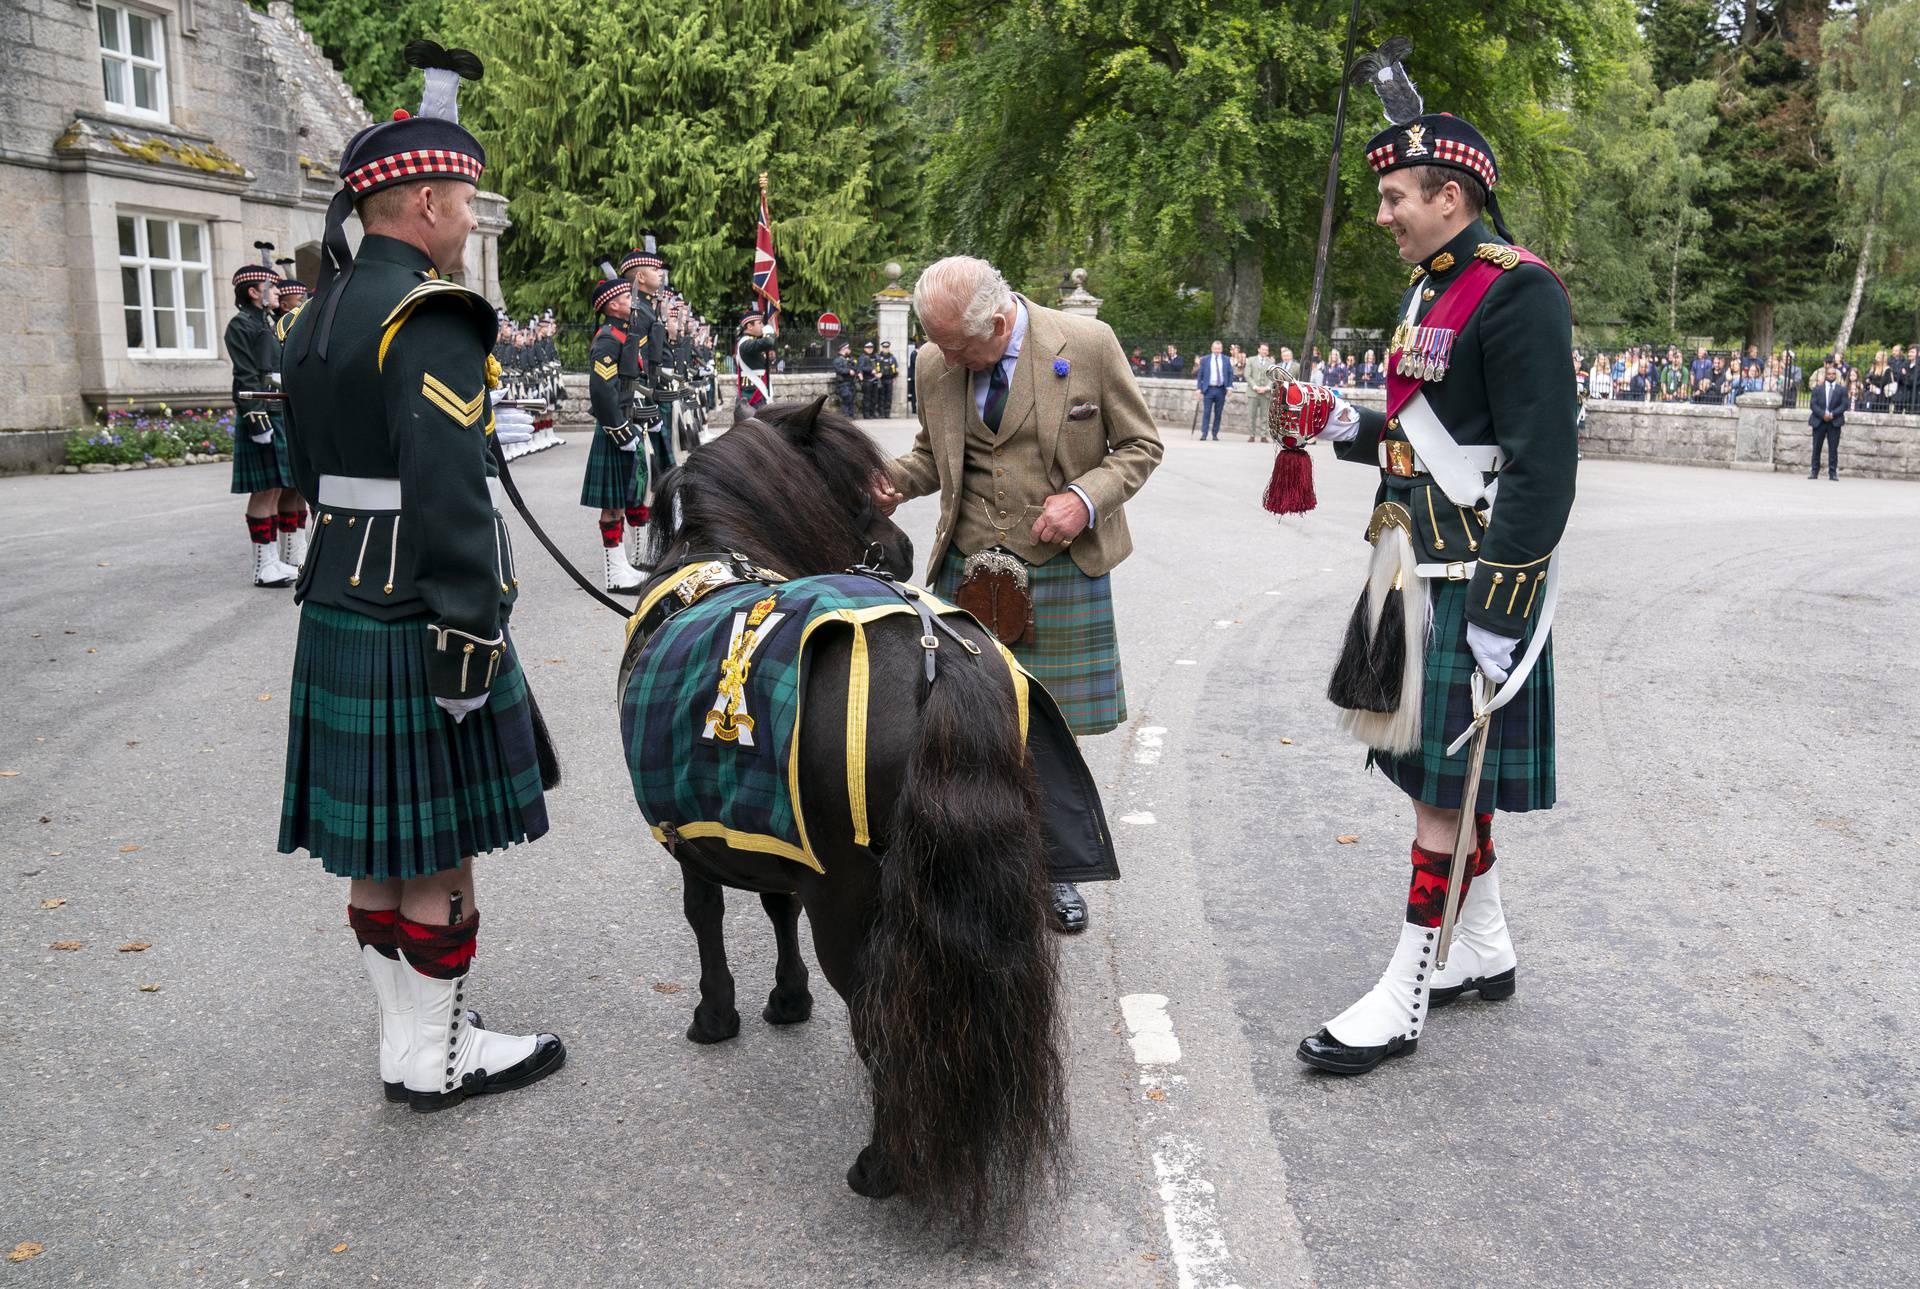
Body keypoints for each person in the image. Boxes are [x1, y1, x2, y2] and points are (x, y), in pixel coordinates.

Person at [277, 43, 564, 1112]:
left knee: (378, 844)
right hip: (417, 609)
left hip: (340, 596)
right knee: (435, 844)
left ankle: (406, 1041)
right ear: (428, 200)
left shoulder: (322, 311)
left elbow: (308, 471)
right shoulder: (431, 315)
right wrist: (466, 632)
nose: (468, 215)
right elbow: (448, 496)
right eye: (465, 197)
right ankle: (441, 1057)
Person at [1291, 110, 1576, 1076]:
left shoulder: (1519, 292)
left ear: (1448, 198)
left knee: (1440, 798)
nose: (1382, 216)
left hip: (1469, 580)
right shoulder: (1430, 288)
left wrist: (1504, 613)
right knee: (1440, 777)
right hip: (1408, 564)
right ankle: (1484, 947)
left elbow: (1541, 470)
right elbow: (1421, 438)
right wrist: (1339, 422)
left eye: (1394, 197)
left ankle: (1403, 998)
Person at [871, 255, 1164, 934]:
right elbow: (931, 455)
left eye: (958, 346)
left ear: (999, 320)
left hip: (1060, 569)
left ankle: (1054, 869)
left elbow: (1141, 445)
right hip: (967, 571)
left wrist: (1085, 499)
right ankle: (972, 864)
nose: (946, 357)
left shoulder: (1087, 344)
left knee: (1046, 733)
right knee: (959, 726)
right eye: (937, 344)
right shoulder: (934, 360)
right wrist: (888, 479)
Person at [227, 259, 304, 588]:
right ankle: (264, 566)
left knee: (280, 488)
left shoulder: (266, 324)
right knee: (265, 491)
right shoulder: (240, 325)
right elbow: (245, 375)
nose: (276, 292)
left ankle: (284, 559)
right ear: (254, 291)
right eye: (270, 287)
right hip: (262, 414)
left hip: (278, 411)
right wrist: (257, 420)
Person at [582, 276, 653, 590]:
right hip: (617, 428)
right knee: (613, 505)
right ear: (612, 304)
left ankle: (623, 566)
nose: (632, 300)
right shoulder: (608, 338)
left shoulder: (624, 334)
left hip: (627, 423)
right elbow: (601, 390)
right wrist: (620, 431)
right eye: (626, 295)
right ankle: (616, 575)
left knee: (625, 499)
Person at [733, 309, 776, 418]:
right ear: (749, 326)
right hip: (752, 392)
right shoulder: (745, 343)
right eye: (759, 323)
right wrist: (769, 332)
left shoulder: (751, 341)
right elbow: (769, 342)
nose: (762, 325)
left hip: (757, 390)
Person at [1808, 360, 1846, 479]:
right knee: (1816, 448)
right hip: (1819, 421)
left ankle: (1832, 472)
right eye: (1829, 374)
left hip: (1834, 422)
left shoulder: (1841, 389)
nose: (1831, 376)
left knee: (1833, 448)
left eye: (1833, 374)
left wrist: (1832, 414)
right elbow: (1813, 405)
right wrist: (1823, 414)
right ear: (1826, 375)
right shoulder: (1817, 389)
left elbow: (1844, 405)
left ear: (1836, 376)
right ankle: (1814, 471)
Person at [1194, 340, 1234, 440]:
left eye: (1219, 349)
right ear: (1212, 349)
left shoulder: (1226, 359)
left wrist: (1229, 387)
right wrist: (1198, 388)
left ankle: (1215, 434)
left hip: (1221, 389)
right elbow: (1200, 375)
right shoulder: (1205, 359)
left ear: (1221, 349)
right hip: (1208, 389)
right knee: (1206, 412)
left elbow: (1230, 374)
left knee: (1218, 413)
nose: (1217, 350)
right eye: (1215, 348)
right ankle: (1204, 434)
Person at [1245, 341, 1277, 441]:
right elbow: (1247, 375)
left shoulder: (1271, 362)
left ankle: (1263, 436)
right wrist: (1255, 387)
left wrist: (1267, 388)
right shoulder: (1250, 360)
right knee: (1251, 415)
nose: (1264, 351)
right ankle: (1252, 435)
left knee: (1265, 415)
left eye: (1266, 350)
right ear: (1259, 349)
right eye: (1263, 349)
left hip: (1266, 392)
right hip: (1253, 392)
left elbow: (1273, 377)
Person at [832, 342, 857, 417]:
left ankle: (851, 415)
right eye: (848, 349)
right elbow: (839, 370)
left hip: (851, 382)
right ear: (843, 349)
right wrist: (849, 371)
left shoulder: (850, 359)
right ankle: (846, 415)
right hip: (843, 383)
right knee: (846, 398)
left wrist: (855, 370)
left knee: (852, 399)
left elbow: (856, 367)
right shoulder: (837, 360)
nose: (849, 350)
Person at [876, 339, 901, 415]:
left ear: (889, 348)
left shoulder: (892, 358)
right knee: (881, 396)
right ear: (882, 348)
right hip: (881, 380)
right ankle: (881, 413)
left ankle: (887, 413)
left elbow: (896, 370)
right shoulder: (878, 357)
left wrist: (894, 379)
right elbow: (874, 368)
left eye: (887, 347)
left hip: (889, 379)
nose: (885, 349)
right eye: (884, 347)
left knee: (888, 397)